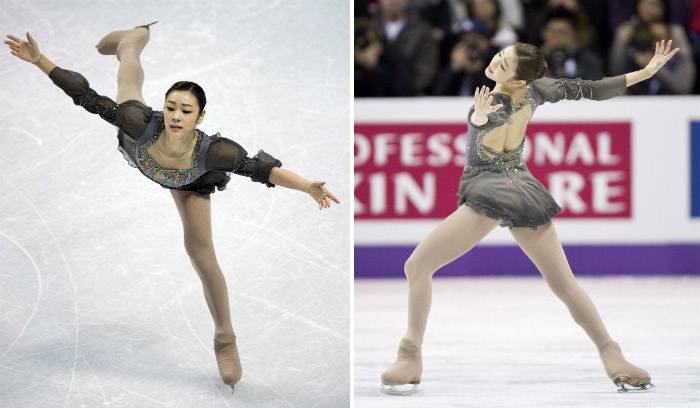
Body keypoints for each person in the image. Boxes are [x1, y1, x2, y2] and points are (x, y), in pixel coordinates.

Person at [4, 24, 340, 392]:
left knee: (201, 255)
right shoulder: (140, 122)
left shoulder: (216, 151)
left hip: (189, 182)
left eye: (186, 110)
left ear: (200, 117)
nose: (176, 116)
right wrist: (40, 61)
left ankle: (224, 337)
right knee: (127, 82)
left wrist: (307, 185)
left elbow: (264, 171)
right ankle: (131, 41)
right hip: (139, 147)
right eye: (171, 108)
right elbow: (84, 95)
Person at [379, 40, 679, 395]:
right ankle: (612, 354)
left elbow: (492, 118)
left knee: (417, 267)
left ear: (519, 80)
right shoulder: (538, 89)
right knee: (564, 285)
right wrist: (644, 73)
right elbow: (591, 89)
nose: (494, 63)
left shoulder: (499, 100)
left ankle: (410, 355)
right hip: (523, 188)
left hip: (490, 191)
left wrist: (478, 117)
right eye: (499, 55)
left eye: (503, 63)